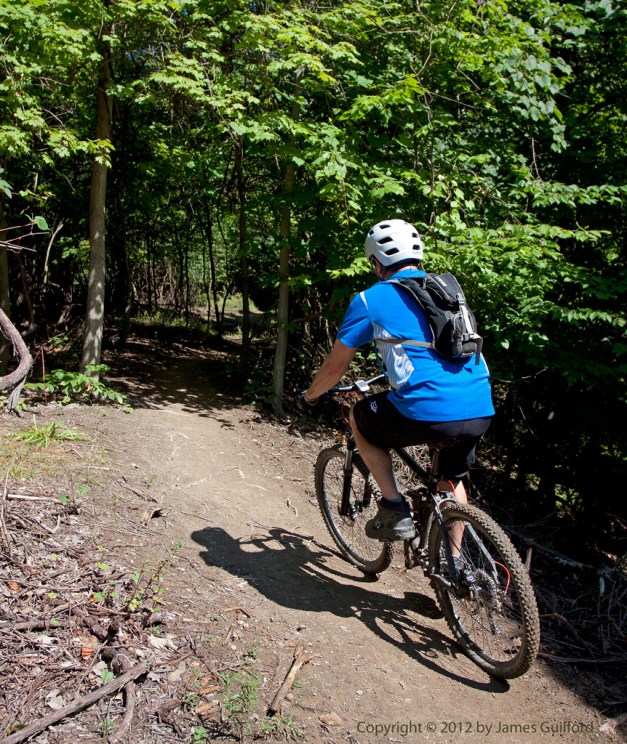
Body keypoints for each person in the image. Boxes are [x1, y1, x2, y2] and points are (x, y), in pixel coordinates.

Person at [299, 219, 495, 541]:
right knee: (452, 480)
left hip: (426, 409)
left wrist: (309, 396)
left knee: (360, 417)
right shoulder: (446, 291)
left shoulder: (370, 299)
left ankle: (394, 507)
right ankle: (455, 568)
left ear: (377, 262)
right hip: (479, 406)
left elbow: (335, 370)